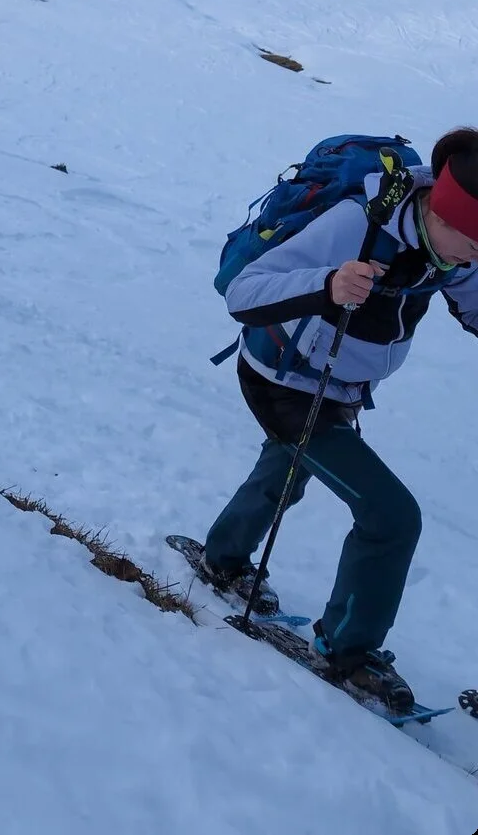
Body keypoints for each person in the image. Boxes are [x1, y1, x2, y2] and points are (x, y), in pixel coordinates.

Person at [200, 128, 478, 713]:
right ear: (440, 214)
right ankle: (348, 650)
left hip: (341, 384)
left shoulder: (453, 249)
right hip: (282, 376)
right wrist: (327, 285)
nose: (475, 258)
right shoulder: (357, 223)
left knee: (287, 467)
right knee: (390, 516)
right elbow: (244, 292)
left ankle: (222, 558)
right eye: (473, 244)